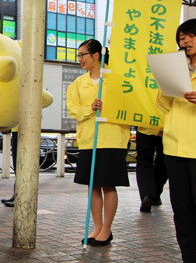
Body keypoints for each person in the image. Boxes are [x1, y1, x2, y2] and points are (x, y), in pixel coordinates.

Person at [66, 39, 130, 246]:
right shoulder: (78, 83)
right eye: (79, 55)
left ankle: (107, 229)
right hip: (88, 139)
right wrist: (89, 108)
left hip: (112, 138)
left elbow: (127, 105)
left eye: (83, 54)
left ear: (96, 55)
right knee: (92, 185)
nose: (80, 59)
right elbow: (72, 109)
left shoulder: (117, 79)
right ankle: (96, 227)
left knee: (108, 184)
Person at [156, 18, 196, 262]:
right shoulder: (178, 67)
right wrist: (167, 83)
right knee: (182, 211)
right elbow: (163, 104)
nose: (185, 41)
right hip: (174, 147)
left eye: (190, 36)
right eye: (181, 38)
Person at [135, 127, 167, 213]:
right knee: (164, 160)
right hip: (165, 127)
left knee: (143, 160)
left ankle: (146, 195)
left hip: (145, 126)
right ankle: (155, 194)